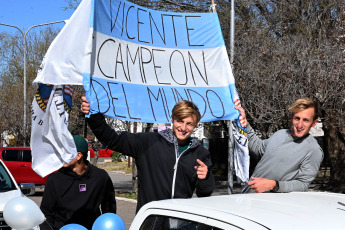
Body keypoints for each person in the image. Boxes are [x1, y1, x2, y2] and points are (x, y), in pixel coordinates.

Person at [81, 97, 215, 212]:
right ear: (172, 119)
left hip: (180, 222)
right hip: (151, 221)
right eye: (180, 121)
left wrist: (206, 177)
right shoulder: (148, 142)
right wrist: (93, 116)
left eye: (189, 124)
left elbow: (204, 193)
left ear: (196, 125)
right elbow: (112, 140)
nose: (184, 128)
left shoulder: (200, 153)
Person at [236, 98, 323, 193]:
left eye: (306, 120)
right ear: (291, 117)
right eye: (297, 118)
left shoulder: (313, 150)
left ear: (314, 123)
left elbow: (303, 184)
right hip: (248, 198)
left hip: (271, 205)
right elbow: (258, 148)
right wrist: (245, 123)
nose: (299, 125)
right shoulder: (280, 134)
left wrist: (274, 185)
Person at [40, 135, 116, 230]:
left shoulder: (100, 177)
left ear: (78, 156)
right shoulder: (54, 180)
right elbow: (46, 215)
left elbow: (109, 208)